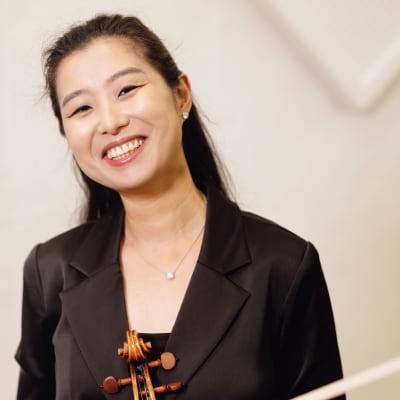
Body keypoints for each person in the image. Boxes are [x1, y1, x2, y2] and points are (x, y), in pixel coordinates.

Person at [15, 13, 345, 400]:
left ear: (181, 95)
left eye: (126, 90)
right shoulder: (50, 273)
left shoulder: (284, 265)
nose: (110, 122)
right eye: (81, 109)